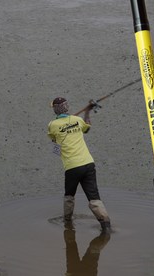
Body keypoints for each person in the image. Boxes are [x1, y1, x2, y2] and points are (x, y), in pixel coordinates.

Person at [47, 97, 111, 233]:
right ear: (67, 107)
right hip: (88, 164)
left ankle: (67, 221)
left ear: (55, 109)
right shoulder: (78, 120)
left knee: (69, 195)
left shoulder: (52, 125)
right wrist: (87, 111)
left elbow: (54, 142)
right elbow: (87, 128)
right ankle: (106, 225)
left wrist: (64, 128)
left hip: (71, 167)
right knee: (94, 197)